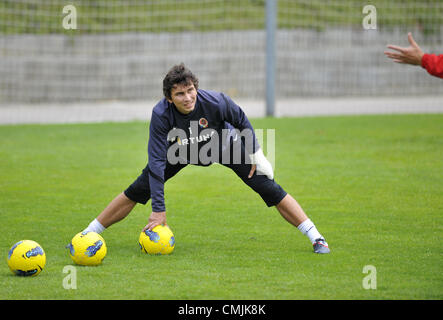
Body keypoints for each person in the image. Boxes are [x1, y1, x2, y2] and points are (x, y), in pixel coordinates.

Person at [82, 63, 330, 254]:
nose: (188, 98)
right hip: (180, 150)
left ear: (196, 88)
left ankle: (316, 237)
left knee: (267, 185)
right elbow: (157, 162)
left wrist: (256, 155)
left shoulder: (217, 101)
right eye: (180, 94)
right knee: (140, 187)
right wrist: (158, 211)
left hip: (222, 145)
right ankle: (89, 234)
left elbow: (241, 121)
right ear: (169, 98)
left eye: (190, 91)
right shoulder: (160, 114)